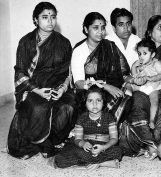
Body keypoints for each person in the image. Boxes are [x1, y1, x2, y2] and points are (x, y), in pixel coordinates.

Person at [7, 2, 76, 159]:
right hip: (33, 88)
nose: (50, 21)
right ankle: (37, 144)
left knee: (69, 105)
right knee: (39, 107)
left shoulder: (64, 42)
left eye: (53, 17)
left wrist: (63, 89)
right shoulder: (26, 42)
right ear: (35, 20)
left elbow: (67, 72)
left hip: (58, 87)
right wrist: (37, 89)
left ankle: (53, 141)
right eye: (45, 17)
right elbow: (20, 71)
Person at [119, 15, 161, 159]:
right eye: (160, 28)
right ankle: (147, 142)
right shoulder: (141, 48)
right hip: (142, 86)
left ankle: (157, 143)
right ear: (149, 31)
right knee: (138, 101)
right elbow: (131, 71)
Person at [71, 12, 132, 122]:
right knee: (98, 102)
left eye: (103, 28)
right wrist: (105, 86)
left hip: (113, 88)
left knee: (128, 101)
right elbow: (78, 83)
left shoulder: (110, 46)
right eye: (95, 28)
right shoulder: (79, 51)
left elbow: (123, 72)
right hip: (88, 93)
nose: (100, 32)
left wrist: (132, 80)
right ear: (86, 29)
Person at [53, 86, 122, 169]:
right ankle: (103, 163)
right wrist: (83, 144)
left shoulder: (109, 117)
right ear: (85, 103)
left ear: (103, 102)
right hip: (86, 148)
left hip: (104, 147)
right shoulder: (82, 118)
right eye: (90, 101)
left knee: (118, 151)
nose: (94, 104)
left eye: (98, 100)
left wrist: (103, 147)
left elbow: (114, 139)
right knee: (61, 158)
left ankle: (95, 163)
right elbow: (77, 139)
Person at [129, 39, 161, 129]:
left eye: (144, 53)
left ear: (152, 54)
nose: (141, 56)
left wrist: (149, 78)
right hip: (142, 86)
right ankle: (127, 93)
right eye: (139, 54)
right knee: (129, 85)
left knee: (154, 101)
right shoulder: (140, 65)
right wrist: (133, 66)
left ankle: (152, 120)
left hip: (153, 86)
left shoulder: (156, 63)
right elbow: (134, 75)